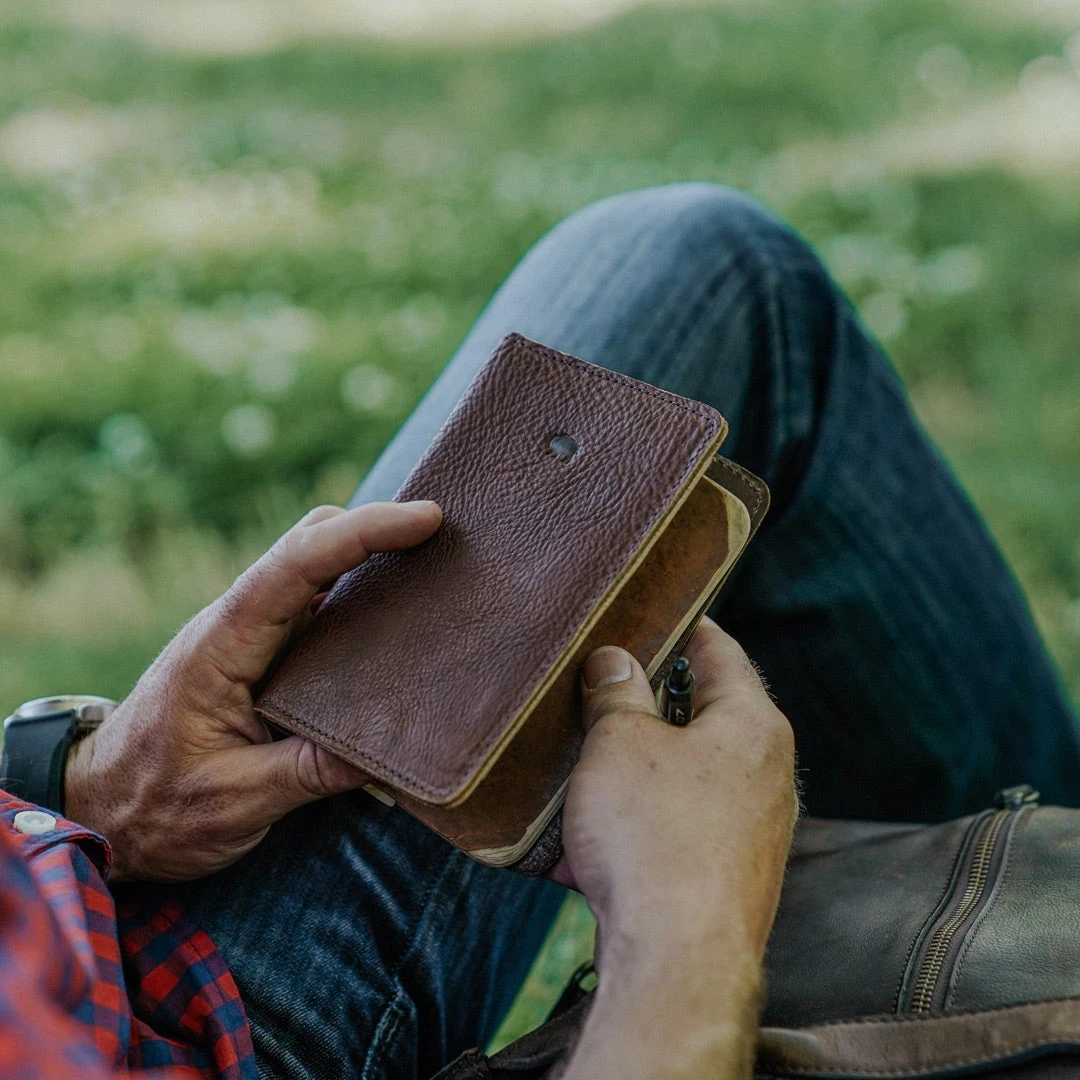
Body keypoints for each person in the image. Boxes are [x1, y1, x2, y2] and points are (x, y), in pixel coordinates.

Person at [2, 183, 1078, 1080]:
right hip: (225, 1045)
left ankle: (1036, 891)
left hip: (90, 926)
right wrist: (686, 924)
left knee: (701, 260)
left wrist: (82, 784)